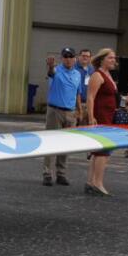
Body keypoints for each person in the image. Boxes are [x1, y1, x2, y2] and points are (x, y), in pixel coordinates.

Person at [42, 47, 82, 186]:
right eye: (65, 56)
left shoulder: (77, 74)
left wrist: (79, 110)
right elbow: (50, 73)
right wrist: (51, 66)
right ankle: (47, 173)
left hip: (70, 112)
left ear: (75, 58)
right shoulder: (57, 70)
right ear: (61, 58)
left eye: (71, 56)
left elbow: (77, 93)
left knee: (66, 144)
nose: (68, 59)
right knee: (51, 142)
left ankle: (61, 174)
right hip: (55, 111)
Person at [85, 48, 118, 196]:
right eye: (110, 58)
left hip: (108, 116)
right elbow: (90, 97)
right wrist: (91, 117)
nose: (113, 61)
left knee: (99, 150)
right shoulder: (97, 75)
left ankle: (91, 182)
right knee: (103, 151)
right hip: (101, 117)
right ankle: (97, 183)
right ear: (102, 59)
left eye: (114, 58)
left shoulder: (108, 75)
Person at [75, 49, 94, 125]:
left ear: (90, 58)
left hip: (87, 104)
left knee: (83, 130)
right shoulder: (73, 67)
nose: (85, 58)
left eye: (87, 56)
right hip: (75, 104)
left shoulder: (92, 69)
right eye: (83, 56)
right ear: (79, 57)